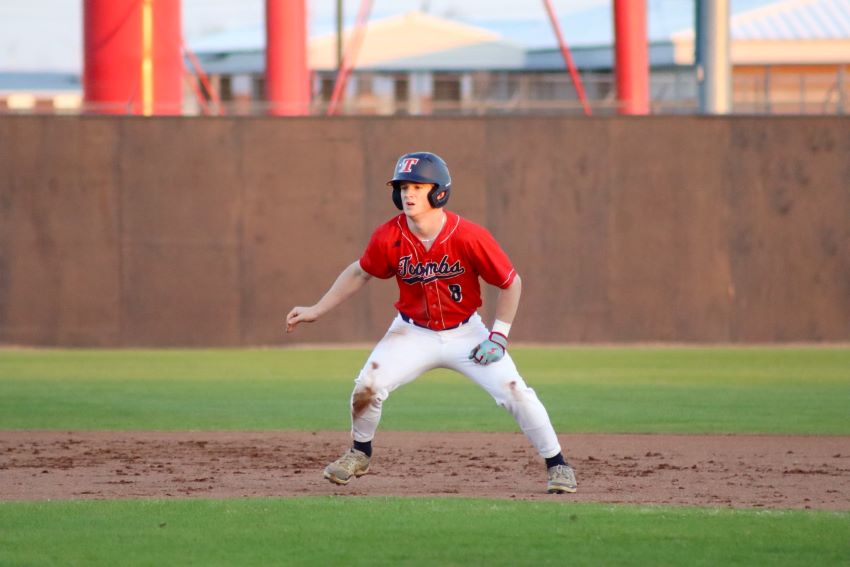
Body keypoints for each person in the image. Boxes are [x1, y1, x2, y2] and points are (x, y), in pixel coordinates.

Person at [285, 151, 576, 494]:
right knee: (367, 387)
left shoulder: (468, 235)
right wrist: (318, 308)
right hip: (412, 332)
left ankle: (558, 464)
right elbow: (360, 271)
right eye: (403, 186)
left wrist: (498, 337)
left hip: (467, 334)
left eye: (418, 186)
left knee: (517, 394)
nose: (408, 194)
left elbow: (510, 282)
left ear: (439, 192)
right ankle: (359, 453)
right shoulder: (388, 236)